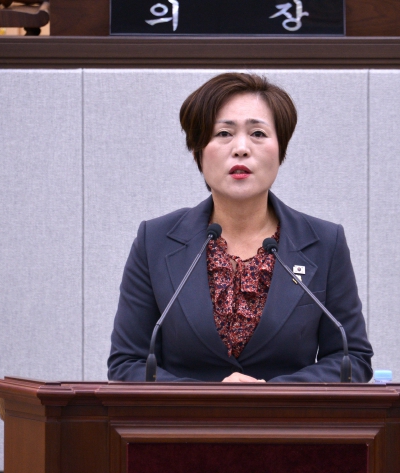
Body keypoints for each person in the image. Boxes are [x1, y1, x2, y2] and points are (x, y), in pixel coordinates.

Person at [107, 73, 373, 383]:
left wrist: (270, 394)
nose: (241, 148)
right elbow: (127, 363)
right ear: (197, 150)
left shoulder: (324, 243)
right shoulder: (155, 241)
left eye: (258, 133)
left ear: (281, 149)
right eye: (224, 133)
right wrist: (211, 398)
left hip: (289, 414)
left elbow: (351, 359)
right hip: (186, 415)